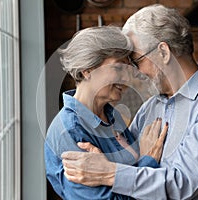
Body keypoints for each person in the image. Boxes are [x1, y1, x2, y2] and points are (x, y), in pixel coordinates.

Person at [62, 4, 198, 200]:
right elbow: (133, 166)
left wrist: (107, 172)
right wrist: (103, 157)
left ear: (163, 52)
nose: (135, 72)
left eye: (137, 61)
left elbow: (182, 183)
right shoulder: (151, 108)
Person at [44, 25, 168, 200]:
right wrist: (148, 161)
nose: (126, 78)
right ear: (87, 70)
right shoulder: (70, 132)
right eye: (118, 68)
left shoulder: (111, 115)